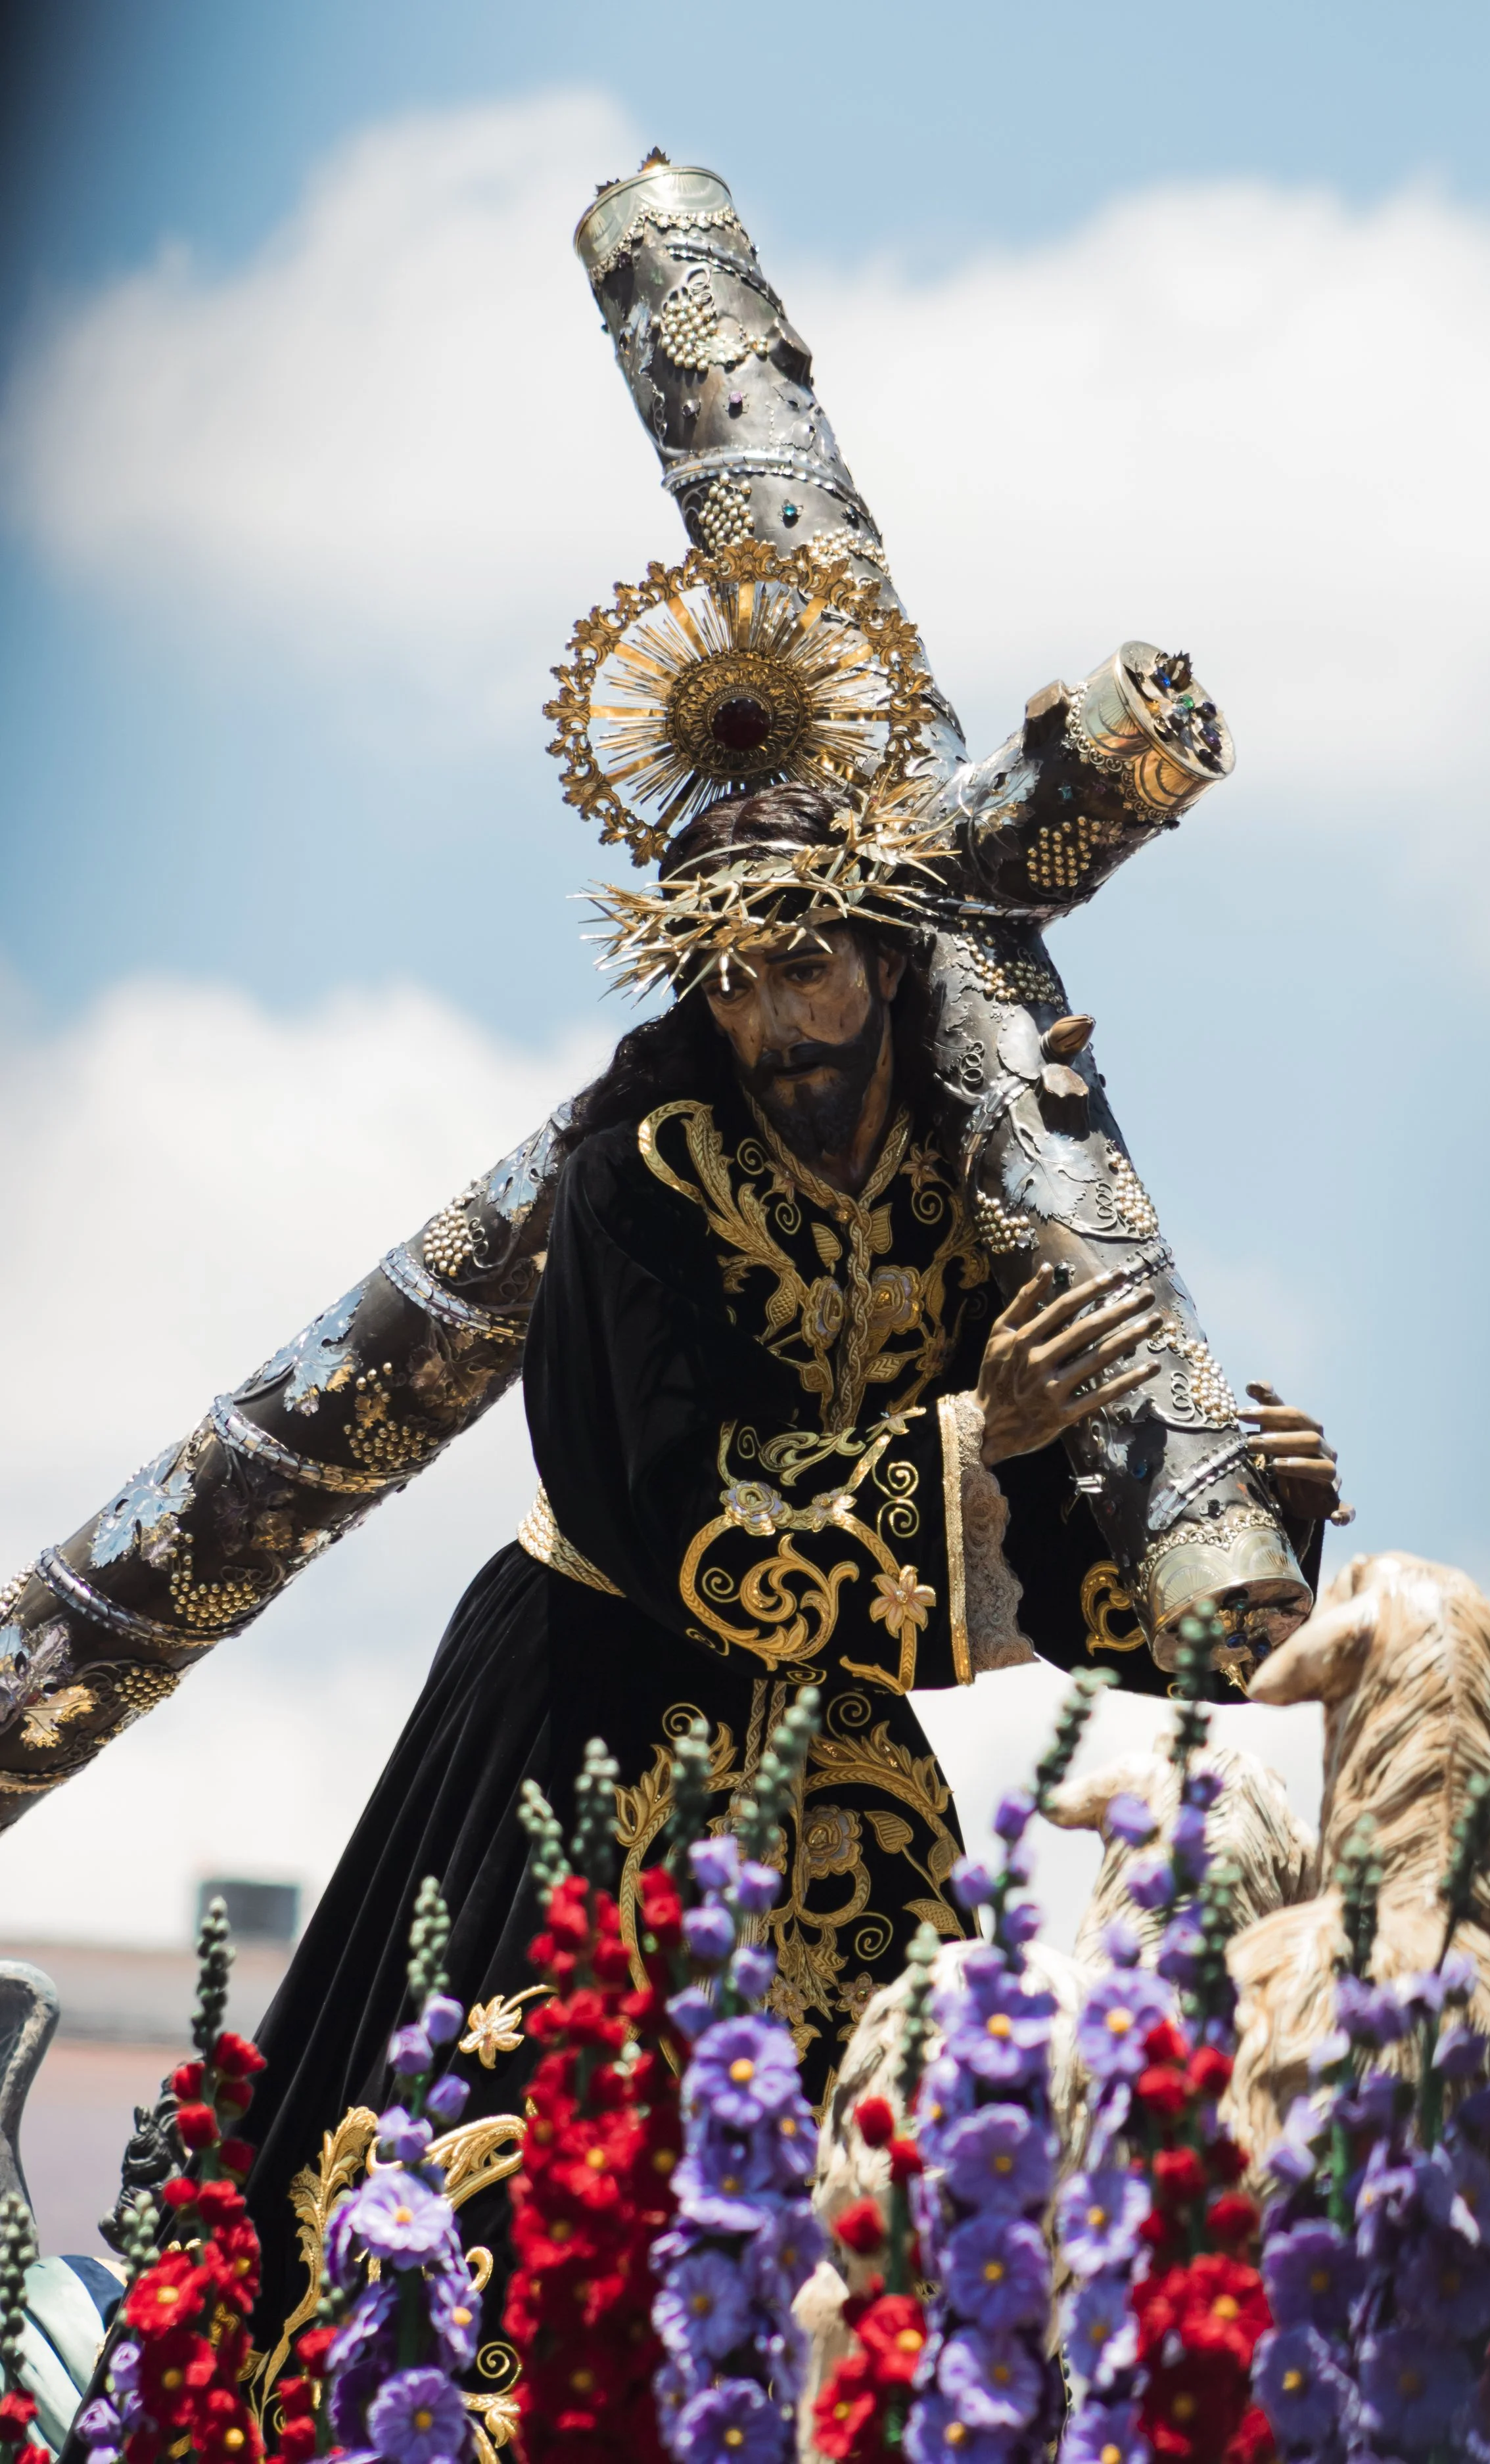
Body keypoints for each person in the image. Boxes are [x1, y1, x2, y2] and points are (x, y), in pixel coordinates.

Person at [242, 779, 1342, 2354]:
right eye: (732, 981)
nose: (774, 1019)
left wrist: (1241, 1520)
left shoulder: (977, 1175)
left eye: (806, 964)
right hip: (591, 1708)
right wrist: (974, 1440)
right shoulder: (635, 1179)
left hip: (832, 1758)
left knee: (911, 2183)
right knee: (518, 2206)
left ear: (890, 961)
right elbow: (685, 1517)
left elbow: (1051, 1551)